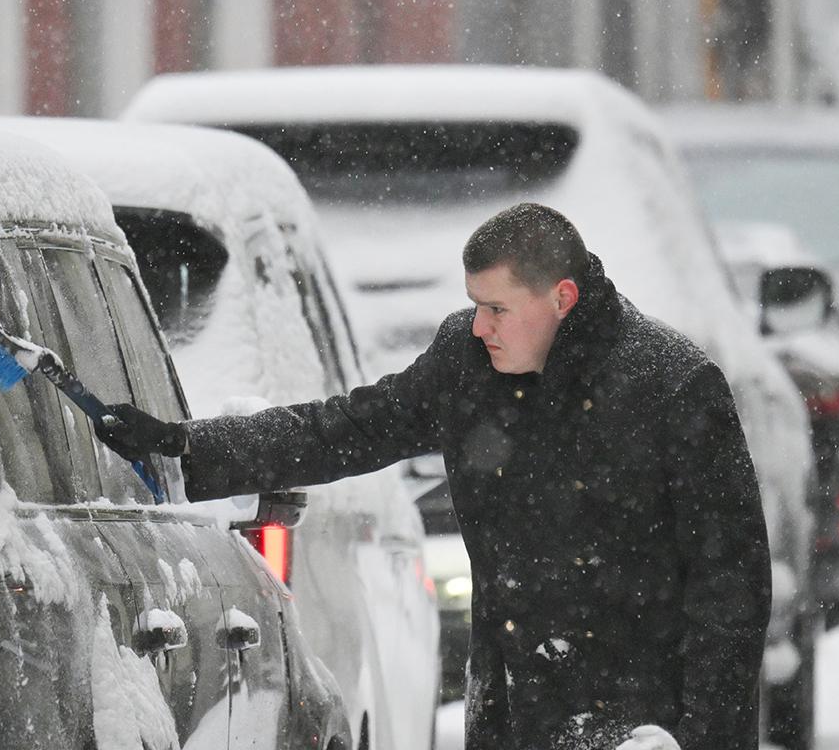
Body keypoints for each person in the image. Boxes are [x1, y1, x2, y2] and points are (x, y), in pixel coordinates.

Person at [97, 202, 772, 750]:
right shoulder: (469, 363)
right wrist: (186, 446)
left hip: (642, 717)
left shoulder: (671, 386)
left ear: (563, 298)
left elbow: (732, 586)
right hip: (514, 710)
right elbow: (348, 429)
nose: (480, 325)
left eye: (497, 308)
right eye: (475, 304)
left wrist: (698, 736)